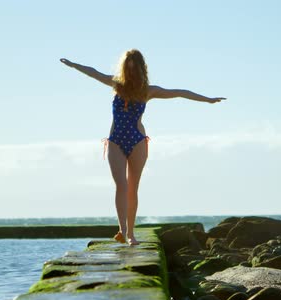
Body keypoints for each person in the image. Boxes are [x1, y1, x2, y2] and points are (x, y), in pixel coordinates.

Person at [60, 49, 226, 245]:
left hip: (137, 141)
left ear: (141, 69)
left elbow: (181, 93)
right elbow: (93, 72)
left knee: (132, 188)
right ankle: (122, 231)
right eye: (127, 68)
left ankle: (131, 234)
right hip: (115, 140)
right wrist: (73, 65)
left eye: (134, 69)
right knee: (121, 185)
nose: (130, 72)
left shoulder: (148, 91)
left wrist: (207, 99)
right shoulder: (116, 85)